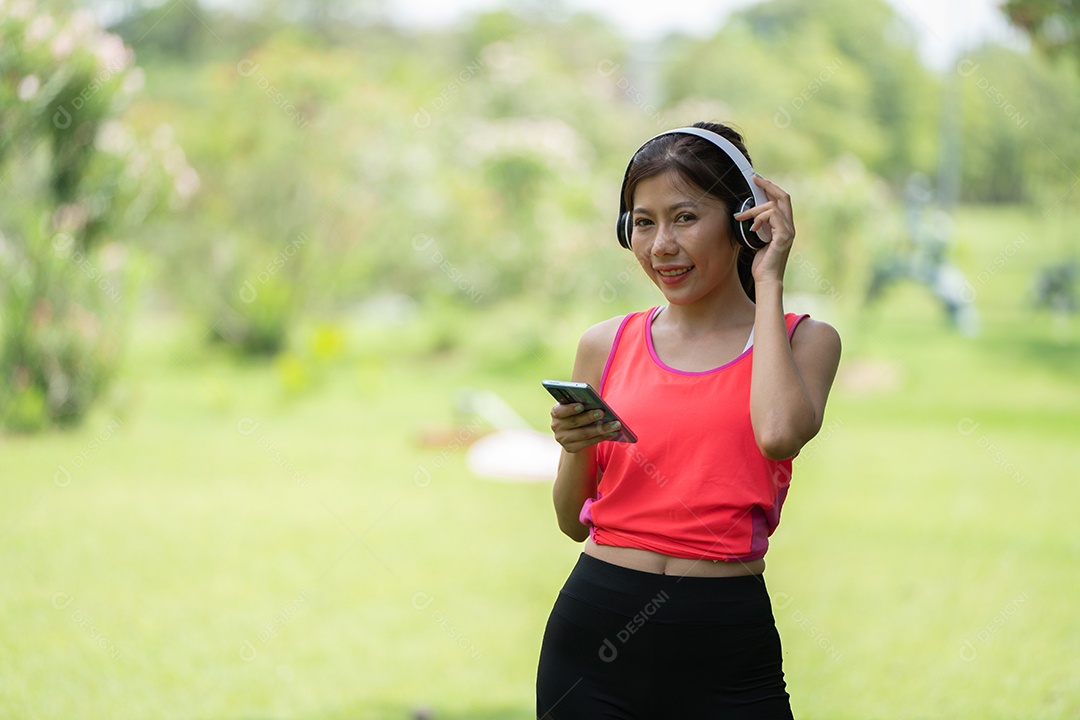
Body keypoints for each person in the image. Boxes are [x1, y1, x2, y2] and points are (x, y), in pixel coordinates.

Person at [535, 121, 842, 719]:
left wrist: (769, 278)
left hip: (724, 645)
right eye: (643, 222)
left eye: (684, 217)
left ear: (744, 222)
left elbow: (778, 433)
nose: (661, 246)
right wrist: (575, 447)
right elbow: (573, 521)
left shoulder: (806, 342)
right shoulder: (604, 345)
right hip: (592, 636)